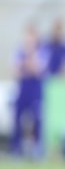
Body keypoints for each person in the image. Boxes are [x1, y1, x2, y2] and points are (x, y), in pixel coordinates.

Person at [11, 24, 47, 159]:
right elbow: (16, 70)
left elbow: (37, 70)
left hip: (35, 89)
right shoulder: (18, 51)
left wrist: (28, 62)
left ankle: (37, 148)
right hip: (23, 88)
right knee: (18, 118)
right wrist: (26, 65)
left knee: (37, 118)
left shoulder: (41, 51)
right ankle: (16, 148)